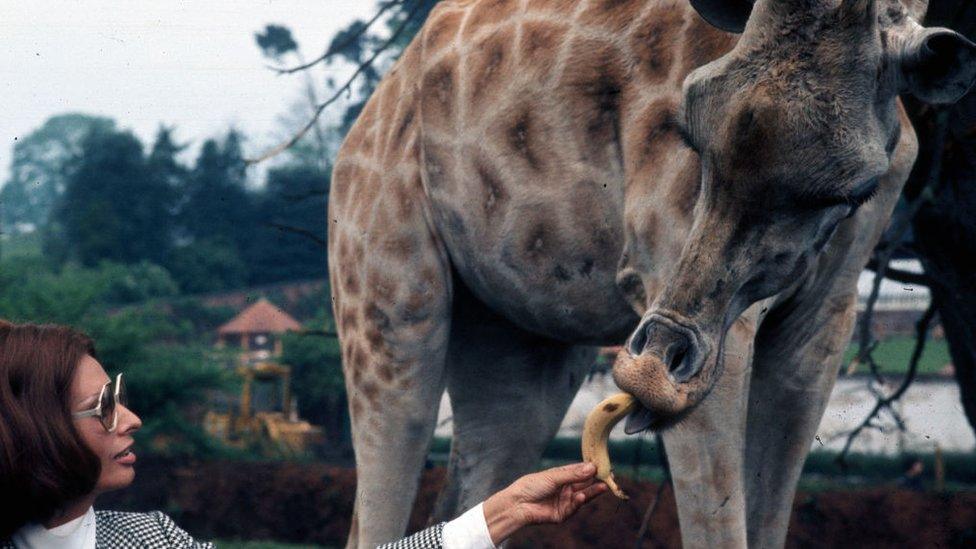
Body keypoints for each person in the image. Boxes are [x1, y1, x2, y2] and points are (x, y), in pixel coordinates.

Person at [0, 321, 607, 548]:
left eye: (122, 396)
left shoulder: (151, 540)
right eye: (102, 406)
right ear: (37, 429)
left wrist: (495, 515)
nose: (130, 419)